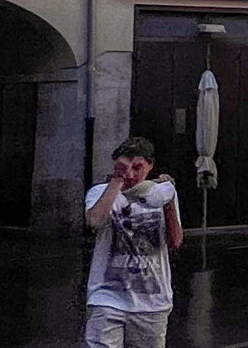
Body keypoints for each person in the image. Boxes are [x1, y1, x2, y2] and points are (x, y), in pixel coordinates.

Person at [82, 136, 183, 348]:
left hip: (152, 303)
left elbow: (175, 241)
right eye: (125, 168)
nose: (131, 175)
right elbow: (95, 221)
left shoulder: (159, 194)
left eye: (138, 168)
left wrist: (169, 200)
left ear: (150, 166)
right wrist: (117, 181)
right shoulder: (100, 193)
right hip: (107, 298)